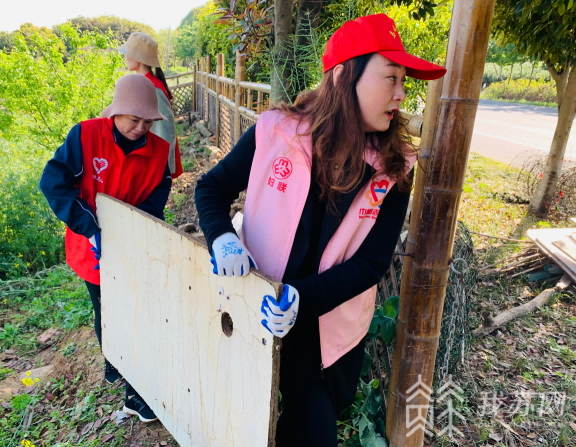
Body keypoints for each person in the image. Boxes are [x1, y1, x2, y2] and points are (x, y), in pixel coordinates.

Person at [195, 13, 447, 445]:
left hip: (322, 328)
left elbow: (371, 263)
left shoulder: (392, 170)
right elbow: (211, 188)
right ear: (345, 76)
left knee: (310, 429)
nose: (402, 94)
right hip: (255, 305)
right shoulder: (276, 133)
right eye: (391, 78)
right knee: (238, 416)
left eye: (404, 82)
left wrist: (301, 298)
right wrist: (222, 238)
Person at [40, 74, 173, 423]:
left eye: (148, 121)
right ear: (116, 112)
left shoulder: (158, 151)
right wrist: (90, 226)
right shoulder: (85, 136)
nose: (141, 128)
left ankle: (123, 370)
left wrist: (136, 228)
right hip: (92, 248)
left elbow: (158, 193)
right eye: (134, 119)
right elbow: (52, 182)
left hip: (133, 244)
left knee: (135, 311)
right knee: (107, 309)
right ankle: (132, 388)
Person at [119, 32, 183, 179]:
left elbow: (165, 132)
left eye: (127, 52)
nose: (125, 56)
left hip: (151, 165)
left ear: (137, 57)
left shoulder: (152, 88)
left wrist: (162, 172)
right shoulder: (145, 84)